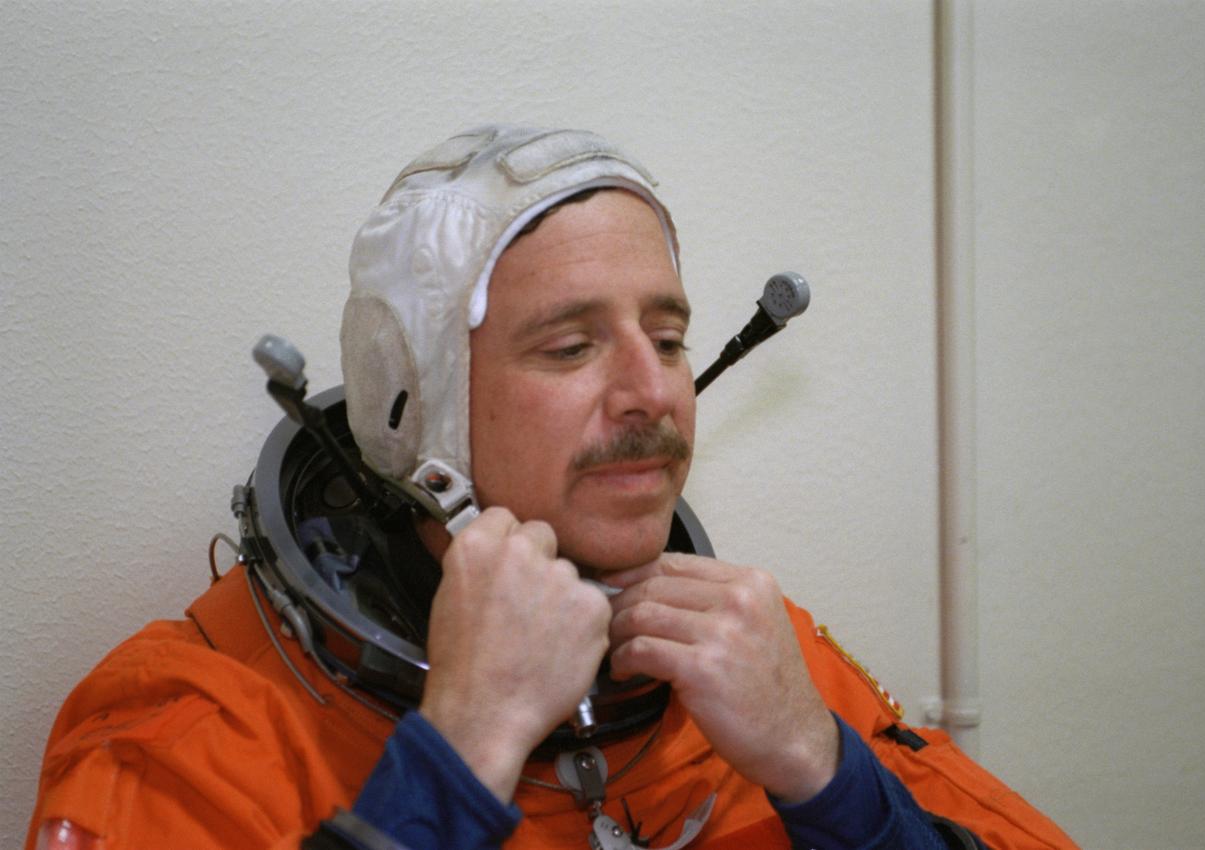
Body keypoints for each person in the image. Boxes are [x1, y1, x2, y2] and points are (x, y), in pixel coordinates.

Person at [27, 125, 1078, 850]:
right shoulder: (192, 726)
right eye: (571, 346)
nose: (649, 392)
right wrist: (453, 763)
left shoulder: (759, 663)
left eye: (666, 337)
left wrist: (828, 776)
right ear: (416, 404)